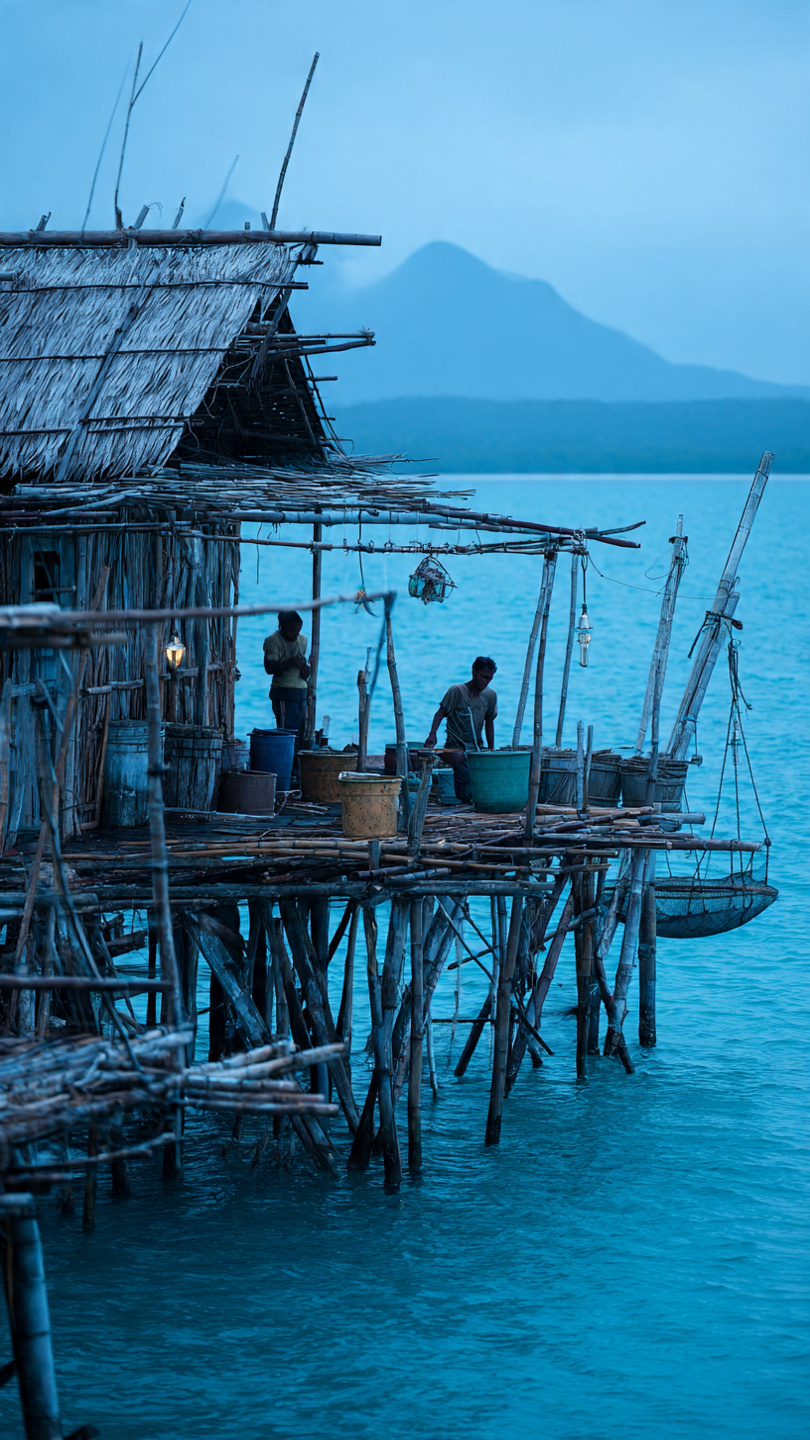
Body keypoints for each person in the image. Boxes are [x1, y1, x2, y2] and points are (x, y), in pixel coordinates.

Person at [424, 656, 498, 802]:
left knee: (491, 764)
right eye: (483, 677)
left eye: (489, 678)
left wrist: (490, 748)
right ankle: (464, 798)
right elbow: (440, 713)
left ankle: (484, 796)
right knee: (460, 760)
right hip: (455, 745)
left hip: (475, 745)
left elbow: (489, 722)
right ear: (474, 673)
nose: (486, 681)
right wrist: (432, 734)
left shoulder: (490, 695)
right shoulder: (457, 691)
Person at [263, 611, 310, 751]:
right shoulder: (273, 641)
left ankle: (297, 765)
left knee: (301, 732)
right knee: (288, 733)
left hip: (301, 692)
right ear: (282, 628)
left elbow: (302, 662)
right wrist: (291, 662)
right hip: (284, 692)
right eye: (292, 632)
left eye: (298, 632)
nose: (296, 635)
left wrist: (305, 670)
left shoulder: (302, 640)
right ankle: (288, 766)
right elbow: (270, 668)